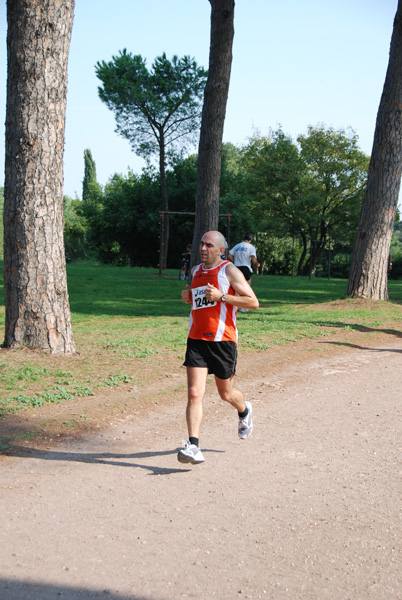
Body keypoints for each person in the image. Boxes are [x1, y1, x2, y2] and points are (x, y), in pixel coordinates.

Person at [178, 230, 259, 465]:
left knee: (226, 394)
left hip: (223, 341)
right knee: (194, 393)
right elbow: (198, 301)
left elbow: (253, 302)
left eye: (209, 245)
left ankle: (244, 411)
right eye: (202, 244)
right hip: (196, 340)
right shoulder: (195, 271)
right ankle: (193, 445)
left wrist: (223, 297)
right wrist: (187, 297)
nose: (203, 249)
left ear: (221, 250)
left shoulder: (229, 270)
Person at [228, 233, 260, 312]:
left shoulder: (237, 246)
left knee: (236, 288)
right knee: (247, 288)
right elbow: (253, 259)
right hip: (245, 268)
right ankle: (244, 307)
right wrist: (257, 264)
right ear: (250, 239)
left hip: (236, 268)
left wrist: (234, 261)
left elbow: (229, 255)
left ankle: (234, 306)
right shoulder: (251, 247)